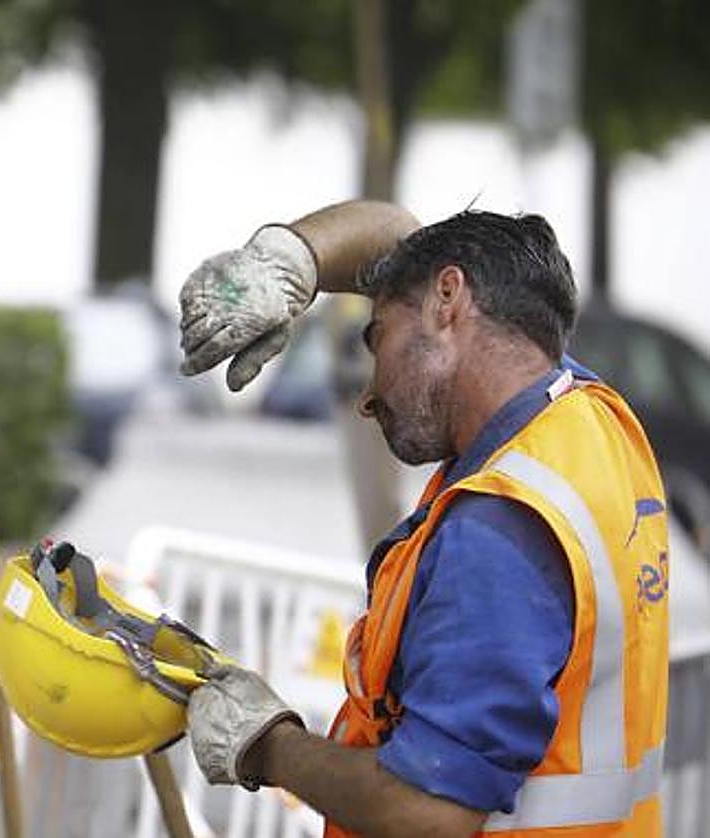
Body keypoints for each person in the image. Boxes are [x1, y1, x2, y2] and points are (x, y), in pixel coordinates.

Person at [177, 200, 670, 837]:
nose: (367, 398)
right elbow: (402, 236)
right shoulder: (586, 421)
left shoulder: (500, 528)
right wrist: (287, 261)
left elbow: (426, 815)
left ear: (448, 299)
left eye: (375, 336)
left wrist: (265, 745)